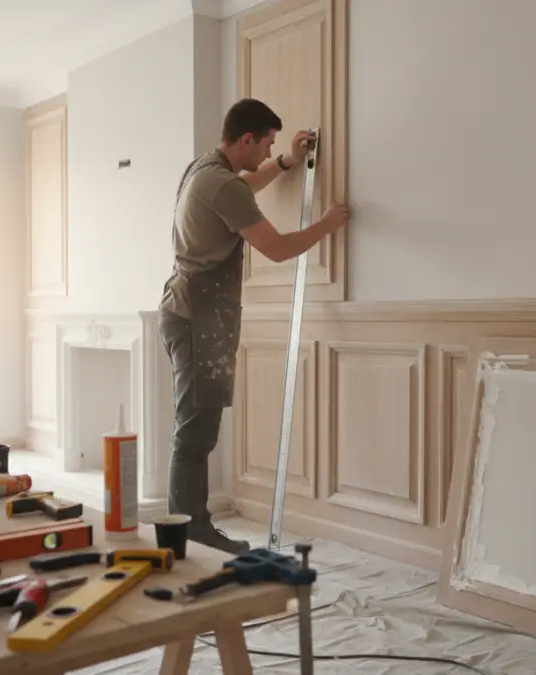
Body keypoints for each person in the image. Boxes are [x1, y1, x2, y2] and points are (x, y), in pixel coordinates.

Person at [157, 98, 350, 554]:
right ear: (247, 138)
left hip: (184, 310)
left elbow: (247, 184)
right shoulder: (224, 186)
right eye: (266, 144)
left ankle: (187, 529)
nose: (267, 153)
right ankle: (192, 532)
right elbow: (279, 249)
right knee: (196, 430)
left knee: (194, 425)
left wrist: (287, 162)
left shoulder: (204, 169)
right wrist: (325, 224)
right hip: (196, 317)